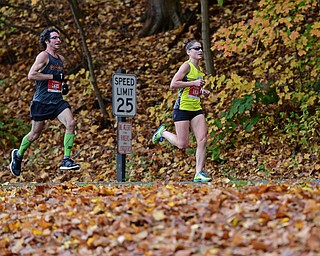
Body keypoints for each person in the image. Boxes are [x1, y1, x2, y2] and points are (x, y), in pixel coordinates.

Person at [9, 27, 80, 176]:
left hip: (57, 101)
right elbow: (31, 75)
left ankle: (66, 159)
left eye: (59, 38)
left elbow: (58, 79)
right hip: (41, 102)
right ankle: (18, 154)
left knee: (71, 123)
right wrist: (52, 78)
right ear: (47, 41)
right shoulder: (43, 56)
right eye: (55, 38)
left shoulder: (61, 60)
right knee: (34, 134)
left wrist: (62, 86)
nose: (58, 40)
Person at [152, 39, 212, 182]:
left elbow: (191, 88)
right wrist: (193, 83)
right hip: (182, 108)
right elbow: (173, 84)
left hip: (196, 108)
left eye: (201, 48)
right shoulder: (187, 66)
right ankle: (163, 133)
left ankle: (198, 173)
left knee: (202, 139)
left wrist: (201, 91)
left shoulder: (199, 70)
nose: (200, 51)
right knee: (182, 144)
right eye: (196, 48)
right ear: (188, 52)